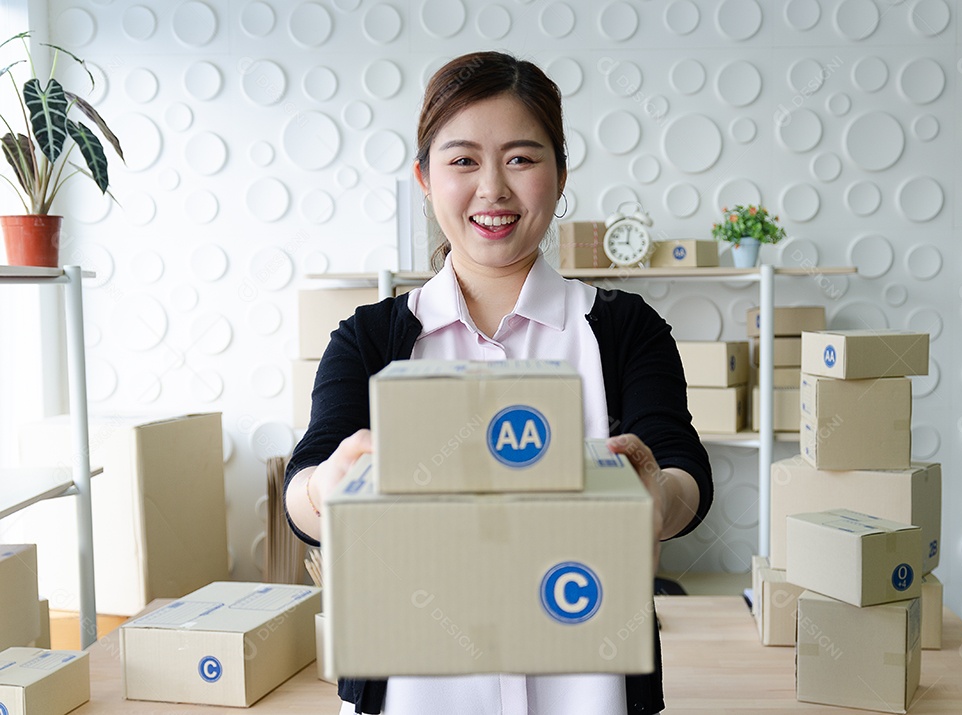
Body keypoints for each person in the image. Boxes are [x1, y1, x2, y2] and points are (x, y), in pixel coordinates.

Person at [284, 51, 713, 715]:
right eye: (462, 161)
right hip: (411, 693)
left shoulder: (625, 329)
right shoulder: (369, 339)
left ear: (560, 173)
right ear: (424, 178)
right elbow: (307, 486)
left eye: (521, 158)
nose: (493, 189)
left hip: (587, 689)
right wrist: (323, 490)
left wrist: (659, 500)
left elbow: (680, 465)